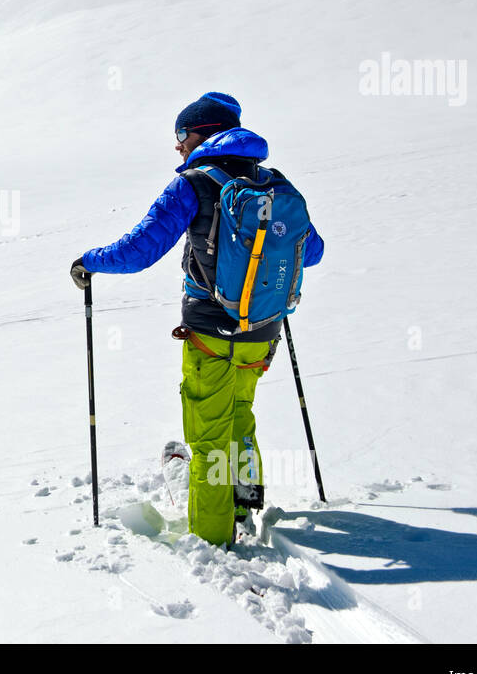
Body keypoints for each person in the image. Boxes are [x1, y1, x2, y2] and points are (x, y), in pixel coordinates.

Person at [70, 92, 324, 547]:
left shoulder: (194, 184)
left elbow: (137, 252)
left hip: (211, 332)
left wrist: (89, 261)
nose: (177, 145)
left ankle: (213, 540)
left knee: (208, 439)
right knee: (240, 413)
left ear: (203, 133)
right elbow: (315, 251)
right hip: (263, 331)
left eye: (181, 135)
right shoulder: (273, 182)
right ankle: (245, 499)